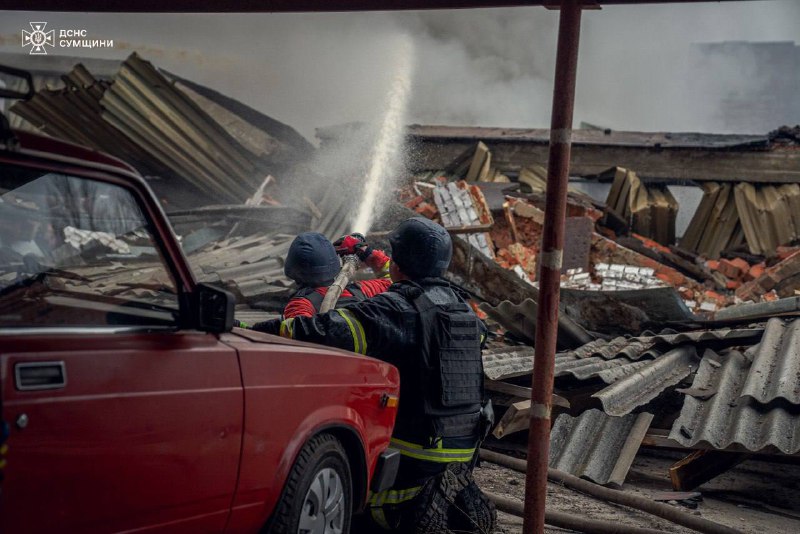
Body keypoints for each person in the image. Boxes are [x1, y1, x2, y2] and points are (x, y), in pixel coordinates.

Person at [259, 217, 495, 533]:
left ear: (398, 263)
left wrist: (250, 329)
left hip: (414, 456)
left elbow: (321, 333)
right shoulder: (464, 309)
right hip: (463, 455)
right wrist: (367, 251)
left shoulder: (395, 308)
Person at [279, 231, 392, 318]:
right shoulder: (363, 290)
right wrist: (367, 252)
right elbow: (394, 279)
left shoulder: (299, 306)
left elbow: (299, 339)